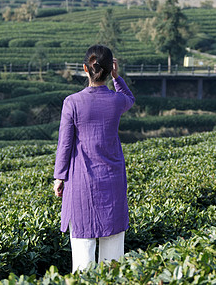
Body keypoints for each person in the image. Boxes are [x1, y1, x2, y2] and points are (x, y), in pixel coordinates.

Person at [53, 44, 135, 273]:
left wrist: (59, 177)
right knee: (113, 258)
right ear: (110, 70)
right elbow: (129, 97)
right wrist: (118, 79)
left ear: (85, 69)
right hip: (113, 181)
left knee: (83, 256)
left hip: (81, 183)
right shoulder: (117, 101)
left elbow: (65, 144)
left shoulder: (72, 102)